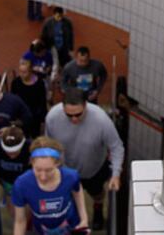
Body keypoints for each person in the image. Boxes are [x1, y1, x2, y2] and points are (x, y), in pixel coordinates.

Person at [46, 88, 124, 230]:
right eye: (69, 115)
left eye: (78, 114)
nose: (74, 119)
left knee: (97, 193)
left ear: (86, 105)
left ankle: (98, 209)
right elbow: (49, 144)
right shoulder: (52, 118)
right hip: (65, 169)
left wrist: (116, 174)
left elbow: (116, 147)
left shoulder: (101, 121)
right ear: (62, 108)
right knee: (69, 197)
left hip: (94, 169)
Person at [11, 136, 88, 235]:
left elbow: (77, 191)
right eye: (38, 170)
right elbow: (20, 221)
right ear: (31, 163)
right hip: (42, 229)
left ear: (57, 163)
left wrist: (84, 218)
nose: (43, 177)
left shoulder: (71, 176)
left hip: (71, 225)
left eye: (48, 170)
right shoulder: (21, 184)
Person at [0, 125, 30, 214]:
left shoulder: (30, 148)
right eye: (8, 152)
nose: (11, 156)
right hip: (6, 181)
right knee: (13, 209)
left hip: (26, 181)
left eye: (15, 152)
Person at [11, 58, 48, 137]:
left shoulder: (39, 83)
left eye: (24, 72)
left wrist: (42, 118)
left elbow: (42, 100)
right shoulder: (16, 82)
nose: (22, 74)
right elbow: (13, 100)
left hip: (35, 115)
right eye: (20, 72)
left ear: (30, 71)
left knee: (35, 135)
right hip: (22, 115)